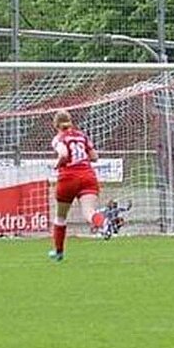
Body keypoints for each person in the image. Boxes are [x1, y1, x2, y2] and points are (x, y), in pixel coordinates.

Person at [49, 110, 101, 262]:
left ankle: (58, 252)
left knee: (60, 217)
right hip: (87, 176)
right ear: (70, 121)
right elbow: (95, 157)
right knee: (89, 212)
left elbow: (64, 154)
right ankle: (103, 223)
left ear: (56, 125)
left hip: (68, 178)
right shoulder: (82, 136)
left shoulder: (59, 138)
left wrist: (57, 165)